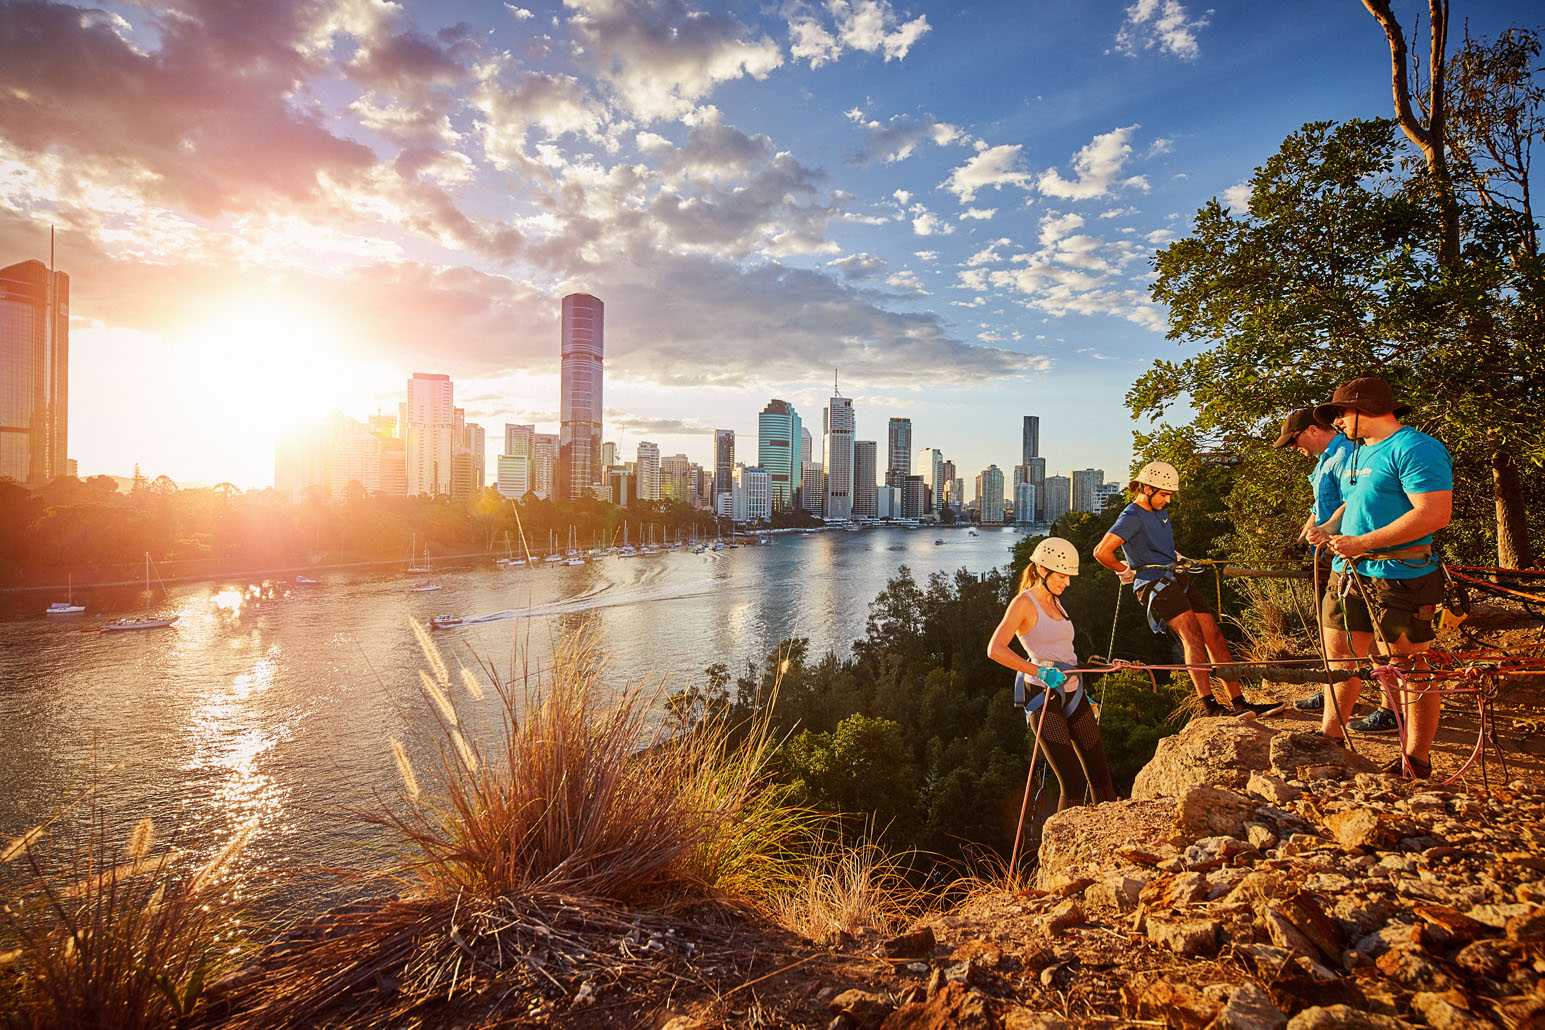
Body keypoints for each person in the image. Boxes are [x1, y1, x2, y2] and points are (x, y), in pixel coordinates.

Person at [1307, 376, 1452, 778]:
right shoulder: (1359, 454)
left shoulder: (1415, 448)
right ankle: (1329, 740)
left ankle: (1415, 761)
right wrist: (1331, 528)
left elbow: (1434, 513)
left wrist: (1363, 542)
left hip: (1400, 576)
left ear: (1362, 408)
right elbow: (1352, 504)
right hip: (1349, 573)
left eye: (1339, 413)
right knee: (1339, 657)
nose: (1337, 422)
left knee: (1408, 664)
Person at [1093, 461, 1286, 719]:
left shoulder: (1158, 511)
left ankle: (1240, 702)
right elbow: (1101, 552)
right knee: (1192, 635)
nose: (1168, 500)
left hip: (1174, 576)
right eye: (1164, 494)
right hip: (1153, 583)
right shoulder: (1132, 516)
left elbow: (1157, 545)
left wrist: (1176, 557)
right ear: (1147, 488)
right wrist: (1123, 570)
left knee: (1214, 636)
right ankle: (1210, 707)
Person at [987, 537, 1117, 811]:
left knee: (1101, 775)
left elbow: (1063, 652)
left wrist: (1089, 683)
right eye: (1062, 576)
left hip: (1074, 693)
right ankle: (1065, 850)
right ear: (1042, 570)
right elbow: (995, 649)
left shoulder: (1056, 602)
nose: (1067, 583)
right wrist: (1040, 672)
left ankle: (1108, 842)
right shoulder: (1024, 603)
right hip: (1043, 697)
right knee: (1073, 784)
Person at [1272, 406, 1359, 713]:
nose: (1294, 449)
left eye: (1294, 441)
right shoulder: (1326, 460)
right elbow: (1318, 507)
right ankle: (1330, 687)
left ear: (1311, 430)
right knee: (1330, 628)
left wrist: (1325, 531)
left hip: (1348, 554)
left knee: (1349, 631)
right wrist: (1300, 541)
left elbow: (1356, 501)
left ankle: (1348, 692)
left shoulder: (1347, 453)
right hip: (1326, 556)